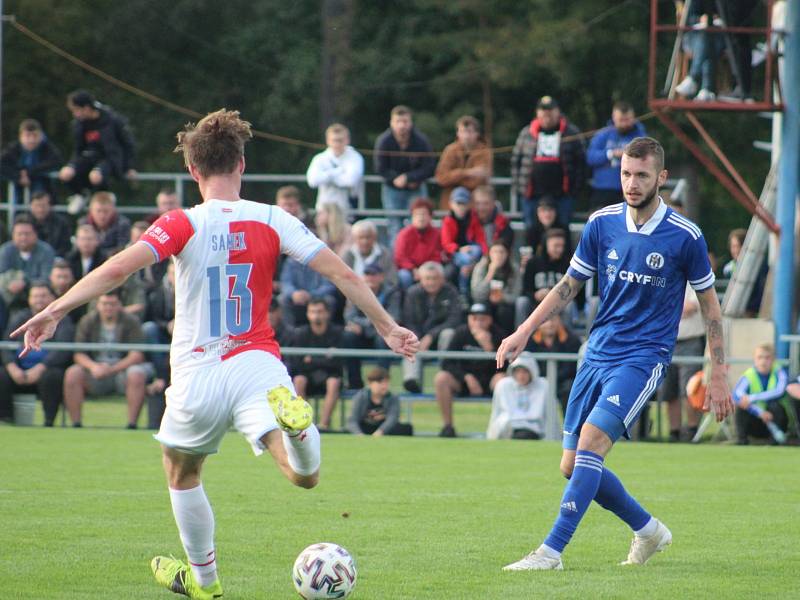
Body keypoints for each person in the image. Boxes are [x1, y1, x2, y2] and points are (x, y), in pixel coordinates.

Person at [11, 108, 418, 600]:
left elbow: (118, 269)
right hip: (257, 365)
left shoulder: (181, 223)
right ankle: (301, 431)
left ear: (193, 172)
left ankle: (205, 582)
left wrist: (54, 309)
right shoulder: (273, 218)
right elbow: (344, 275)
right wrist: (388, 326)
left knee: (182, 472)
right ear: (242, 165)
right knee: (301, 476)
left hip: (198, 370)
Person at [497, 136, 733, 571]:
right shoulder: (601, 223)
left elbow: (711, 306)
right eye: (626, 173)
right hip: (597, 353)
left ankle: (550, 553)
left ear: (661, 177)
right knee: (572, 466)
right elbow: (568, 286)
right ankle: (648, 530)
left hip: (642, 358)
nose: (631, 182)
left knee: (591, 445)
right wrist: (524, 331)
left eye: (641, 175)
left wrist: (719, 372)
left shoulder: (685, 236)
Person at [64, 288, 152, 429]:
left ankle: (132, 424)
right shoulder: (87, 321)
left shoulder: (131, 321)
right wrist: (94, 367)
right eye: (105, 304)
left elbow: (137, 355)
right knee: (73, 373)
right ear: (97, 305)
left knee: (137, 373)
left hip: (122, 370)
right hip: (95, 371)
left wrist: (112, 369)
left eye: (112, 304)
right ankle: (76, 424)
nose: (108, 307)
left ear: (119, 305)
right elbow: (79, 353)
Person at [0, 282, 74, 427]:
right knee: (1, 374)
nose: (39, 300)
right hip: (19, 369)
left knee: (53, 376)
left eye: (43, 296)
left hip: (46, 370)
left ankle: (48, 422)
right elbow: (6, 344)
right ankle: (6, 419)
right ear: (29, 299)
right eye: (35, 296)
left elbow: (62, 350)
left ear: (52, 297)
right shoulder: (20, 318)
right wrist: (12, 367)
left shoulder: (63, 320)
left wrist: (41, 368)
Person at [511, 96, 585, 228]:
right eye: (543, 110)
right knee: (531, 229)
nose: (547, 114)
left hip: (563, 195)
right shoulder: (526, 132)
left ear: (558, 111)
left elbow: (581, 162)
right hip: (531, 194)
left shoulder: (571, 132)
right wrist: (519, 187)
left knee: (561, 230)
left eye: (550, 110)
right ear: (537, 112)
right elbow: (516, 161)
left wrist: (575, 190)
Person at [58, 90, 136, 212]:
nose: (74, 114)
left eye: (76, 110)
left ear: (87, 108)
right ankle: (80, 194)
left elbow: (128, 144)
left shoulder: (112, 120)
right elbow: (78, 149)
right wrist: (72, 165)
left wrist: (129, 167)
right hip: (89, 157)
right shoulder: (79, 124)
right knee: (65, 173)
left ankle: (103, 203)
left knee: (96, 176)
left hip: (109, 158)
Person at [434, 303, 505, 437]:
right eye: (474, 318)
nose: (478, 322)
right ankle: (448, 426)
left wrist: (489, 349)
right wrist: (466, 377)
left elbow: (505, 367)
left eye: (482, 319)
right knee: (441, 378)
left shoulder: (498, 334)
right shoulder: (461, 333)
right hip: (464, 381)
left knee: (503, 380)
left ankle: (502, 427)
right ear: (469, 319)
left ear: (489, 320)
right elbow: (447, 363)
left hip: (489, 380)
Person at [374, 106, 436, 242]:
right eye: (398, 121)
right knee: (395, 226)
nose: (402, 125)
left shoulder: (421, 141)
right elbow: (380, 168)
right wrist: (395, 179)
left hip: (416, 188)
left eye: (405, 121)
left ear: (411, 122)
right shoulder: (384, 141)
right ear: (392, 123)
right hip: (392, 189)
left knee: (420, 224)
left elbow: (430, 166)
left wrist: (409, 178)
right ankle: (397, 261)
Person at [402, 261, 462, 393]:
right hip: (418, 338)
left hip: (441, 340)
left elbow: (455, 319)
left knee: (449, 333)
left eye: (435, 278)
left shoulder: (451, 291)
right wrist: (417, 339)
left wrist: (430, 336)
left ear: (442, 279)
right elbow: (409, 320)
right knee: (408, 339)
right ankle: (412, 380)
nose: (431, 282)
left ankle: (444, 375)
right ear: (420, 279)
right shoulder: (412, 293)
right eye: (428, 278)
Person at [655, 283, 705, 442]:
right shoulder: (663, 280)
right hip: (665, 342)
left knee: (689, 390)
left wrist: (667, 308)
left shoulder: (693, 282)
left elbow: (690, 307)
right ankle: (674, 432)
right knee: (669, 391)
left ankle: (691, 431)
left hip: (690, 342)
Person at [342, 263, 402, 389]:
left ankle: (380, 383)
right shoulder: (354, 291)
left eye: (374, 274)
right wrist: (376, 322)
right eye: (367, 274)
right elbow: (349, 316)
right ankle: (354, 383)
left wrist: (366, 323)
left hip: (381, 334)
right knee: (348, 336)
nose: (370, 278)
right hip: (363, 334)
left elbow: (393, 317)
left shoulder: (392, 292)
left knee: (383, 339)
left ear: (381, 277)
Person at [289, 298, 344, 431]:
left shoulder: (337, 333)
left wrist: (311, 359)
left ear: (327, 314)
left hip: (329, 376)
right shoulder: (300, 334)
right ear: (307, 314)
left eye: (319, 311)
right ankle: (306, 424)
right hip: (307, 376)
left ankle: (324, 425)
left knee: (333, 381)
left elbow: (337, 364)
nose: (316, 315)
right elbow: (297, 363)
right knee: (299, 380)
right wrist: (324, 359)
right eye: (312, 311)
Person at [486, 352, 560, 441]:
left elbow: (551, 416)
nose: (521, 376)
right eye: (518, 372)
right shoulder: (503, 385)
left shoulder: (543, 386)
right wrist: (491, 436)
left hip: (534, 429)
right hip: (509, 428)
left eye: (525, 372)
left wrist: (554, 437)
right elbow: (496, 413)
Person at [586, 102, 647, 209]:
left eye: (627, 120)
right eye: (621, 120)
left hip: (630, 190)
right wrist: (610, 154)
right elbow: (590, 157)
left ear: (633, 118)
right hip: (603, 189)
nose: (624, 124)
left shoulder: (641, 136)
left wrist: (629, 156)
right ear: (614, 118)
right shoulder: (603, 134)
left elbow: (647, 159)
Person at [0, 215, 56, 324]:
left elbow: (46, 277)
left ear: (35, 234)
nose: (23, 237)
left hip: (37, 297)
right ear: (13, 235)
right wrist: (9, 284)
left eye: (27, 234)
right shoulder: (6, 250)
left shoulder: (46, 251)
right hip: (10, 298)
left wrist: (24, 282)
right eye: (19, 234)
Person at [732, 343, 790, 445]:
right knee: (741, 405)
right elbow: (737, 395)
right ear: (755, 359)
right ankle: (742, 440)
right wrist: (759, 412)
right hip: (756, 418)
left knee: (775, 406)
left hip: (774, 420)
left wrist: (752, 398)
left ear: (773, 360)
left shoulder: (780, 372)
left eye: (767, 358)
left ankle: (775, 441)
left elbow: (779, 391)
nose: (763, 361)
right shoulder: (749, 375)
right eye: (760, 357)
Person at [524, 313, 581, 415]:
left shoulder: (572, 340)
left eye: (553, 320)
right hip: (537, 382)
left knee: (570, 387)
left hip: (562, 383)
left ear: (559, 320)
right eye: (545, 320)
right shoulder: (529, 341)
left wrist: (552, 379)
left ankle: (568, 426)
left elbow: (571, 369)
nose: (550, 324)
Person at [434, 115, 492, 210]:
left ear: (477, 133)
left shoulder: (484, 152)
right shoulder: (450, 150)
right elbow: (441, 178)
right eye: (462, 131)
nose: (466, 136)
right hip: (451, 204)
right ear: (457, 133)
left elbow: (478, 180)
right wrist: (468, 173)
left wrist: (454, 178)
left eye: (469, 132)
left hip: (475, 205)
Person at [306, 123, 364, 216]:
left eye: (340, 140)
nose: (337, 144)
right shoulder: (320, 158)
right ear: (328, 141)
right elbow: (312, 181)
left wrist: (325, 177)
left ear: (347, 140)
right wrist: (336, 172)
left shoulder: (355, 157)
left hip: (347, 209)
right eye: (334, 140)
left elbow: (350, 181)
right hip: (324, 208)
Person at [517, 228, 571, 327]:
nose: (560, 249)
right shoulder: (532, 263)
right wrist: (535, 295)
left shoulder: (568, 264)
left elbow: (575, 293)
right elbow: (524, 291)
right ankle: (518, 335)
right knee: (522, 302)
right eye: (556, 246)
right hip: (535, 304)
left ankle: (568, 340)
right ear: (546, 245)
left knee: (570, 306)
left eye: (562, 246)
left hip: (558, 305)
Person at [0, 119, 63, 202]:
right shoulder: (13, 148)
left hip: (44, 192)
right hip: (18, 191)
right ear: (20, 136)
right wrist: (18, 176)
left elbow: (56, 161)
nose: (31, 140)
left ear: (41, 136)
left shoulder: (47, 148)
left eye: (35, 136)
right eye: (28, 135)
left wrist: (30, 172)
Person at [674, 1, 725, 102]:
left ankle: (693, 78)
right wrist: (700, 19)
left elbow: (732, 17)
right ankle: (706, 89)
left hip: (718, 37)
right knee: (706, 39)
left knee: (708, 40)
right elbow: (687, 19)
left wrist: (716, 20)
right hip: (694, 37)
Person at [470, 240, 521, 336]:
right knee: (480, 309)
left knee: (504, 312)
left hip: (505, 303)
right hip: (484, 300)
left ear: (507, 254)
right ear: (489, 254)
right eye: (495, 252)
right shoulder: (481, 267)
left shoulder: (514, 269)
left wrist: (503, 297)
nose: (498, 255)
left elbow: (516, 294)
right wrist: (490, 273)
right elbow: (476, 294)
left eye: (501, 252)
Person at [393, 197, 443, 290]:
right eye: (417, 214)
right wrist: (413, 269)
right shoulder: (404, 234)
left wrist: (425, 270)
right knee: (404, 276)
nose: (421, 218)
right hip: (410, 270)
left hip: (430, 268)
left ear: (430, 216)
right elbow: (400, 257)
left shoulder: (437, 234)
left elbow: (438, 255)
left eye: (424, 214)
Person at [346, 366, 412, 436]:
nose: (384, 386)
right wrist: (359, 434)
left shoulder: (393, 398)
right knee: (348, 431)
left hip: (384, 428)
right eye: (380, 382)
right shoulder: (361, 397)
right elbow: (353, 420)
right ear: (370, 383)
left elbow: (392, 419)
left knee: (406, 428)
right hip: (365, 427)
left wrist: (381, 431)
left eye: (386, 382)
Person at [341, 219, 396, 285]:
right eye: (361, 237)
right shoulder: (348, 255)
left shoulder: (384, 254)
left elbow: (392, 280)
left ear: (375, 237)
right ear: (354, 238)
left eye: (368, 237)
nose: (365, 241)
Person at [26, 191, 73, 257]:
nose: (40, 210)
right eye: (37, 205)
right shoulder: (24, 224)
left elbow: (65, 247)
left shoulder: (61, 223)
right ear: (30, 206)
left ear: (50, 206)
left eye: (43, 206)